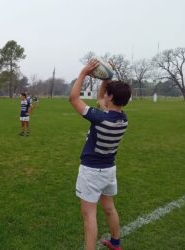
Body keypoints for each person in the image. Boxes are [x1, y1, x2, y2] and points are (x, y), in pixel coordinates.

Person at [69, 59, 131, 250]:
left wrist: (83, 73)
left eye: (107, 95)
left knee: (89, 215)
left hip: (92, 172)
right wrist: (107, 76)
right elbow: (101, 98)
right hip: (108, 170)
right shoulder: (122, 118)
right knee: (109, 208)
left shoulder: (101, 118)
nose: (103, 97)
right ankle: (115, 242)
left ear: (111, 98)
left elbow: (74, 99)